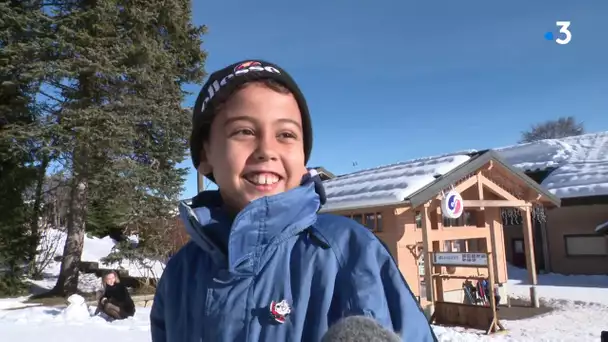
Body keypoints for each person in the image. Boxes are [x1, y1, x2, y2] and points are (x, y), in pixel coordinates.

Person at [150, 60, 436, 342]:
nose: (267, 150)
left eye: (286, 134)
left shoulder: (350, 253)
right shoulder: (180, 275)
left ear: (303, 158)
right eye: (244, 132)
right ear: (204, 154)